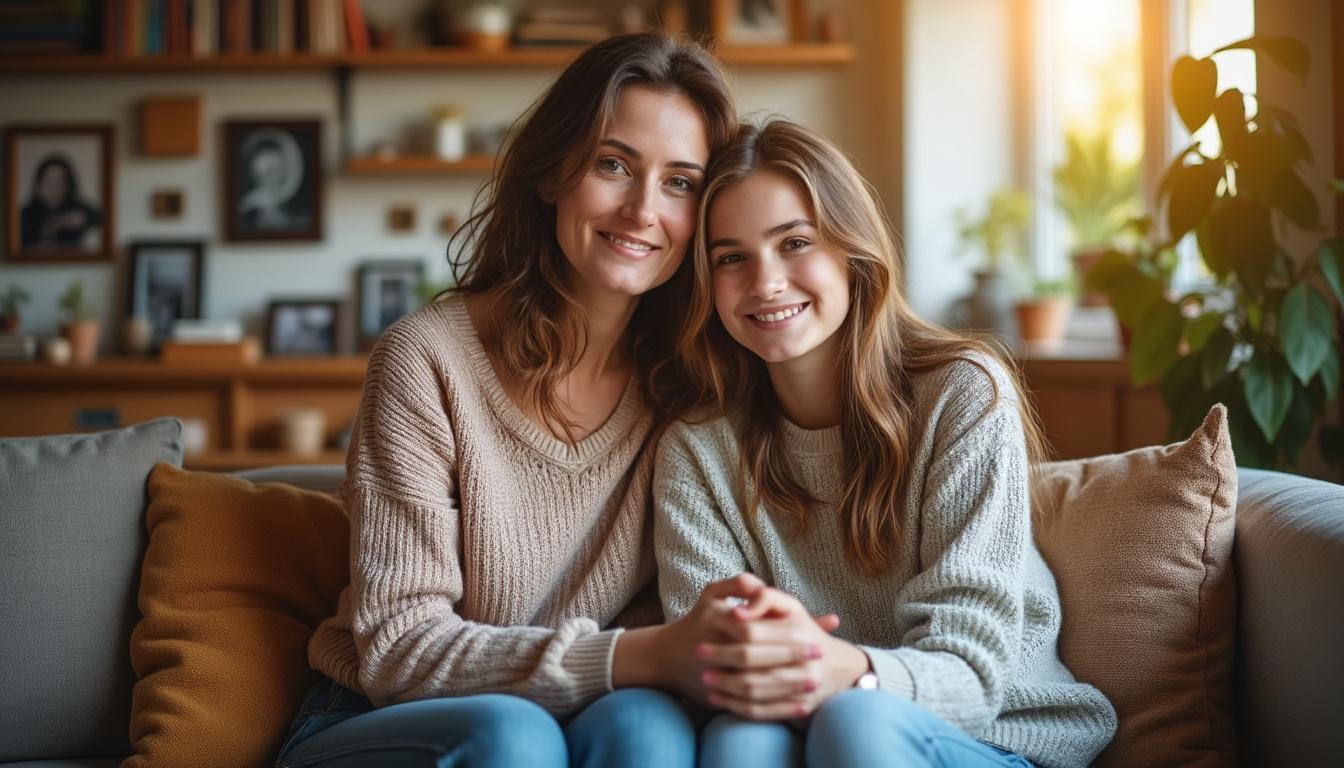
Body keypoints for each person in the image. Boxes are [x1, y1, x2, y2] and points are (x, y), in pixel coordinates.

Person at [276, 33, 810, 768]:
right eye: (613, 164)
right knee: (510, 737)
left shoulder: (691, 381)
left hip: (592, 708)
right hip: (377, 714)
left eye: (680, 183)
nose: (642, 209)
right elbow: (398, 650)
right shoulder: (427, 361)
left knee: (649, 734)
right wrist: (638, 657)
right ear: (554, 170)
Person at [653, 120, 1118, 768]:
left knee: (859, 724)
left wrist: (841, 670)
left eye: (794, 243)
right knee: (738, 741)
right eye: (731, 257)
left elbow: (973, 675)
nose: (765, 282)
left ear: (853, 253)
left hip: (1000, 738)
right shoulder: (697, 450)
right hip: (810, 728)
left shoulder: (963, 393)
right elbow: (721, 669)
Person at [19, 154, 101, 250]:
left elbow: (97, 217)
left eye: (60, 182)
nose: (54, 188)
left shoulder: (77, 208)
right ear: (38, 185)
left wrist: (65, 221)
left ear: (69, 185)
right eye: (49, 182)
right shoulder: (24, 215)